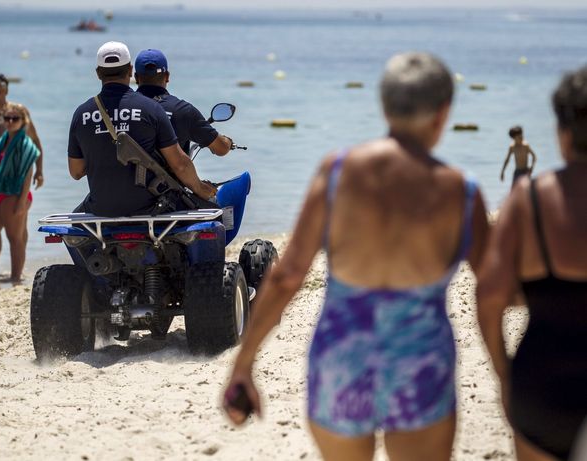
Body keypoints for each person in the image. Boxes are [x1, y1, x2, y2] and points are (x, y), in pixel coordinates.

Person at [223, 52, 489, 461]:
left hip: (343, 358)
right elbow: (497, 286)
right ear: (443, 114)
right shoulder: (460, 190)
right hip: (419, 362)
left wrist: (244, 362)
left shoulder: (338, 172)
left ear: (384, 106)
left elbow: (287, 276)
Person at [477, 66, 587, 461]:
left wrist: (504, 375)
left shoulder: (527, 201)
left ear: (562, 133)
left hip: (543, 386)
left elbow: (489, 298)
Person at [67, 41, 216, 217]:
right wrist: (201, 188)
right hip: (153, 209)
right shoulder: (151, 109)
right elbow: (180, 165)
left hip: (102, 209)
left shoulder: (81, 113)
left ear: (98, 73)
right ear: (130, 71)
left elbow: (76, 172)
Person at [0, 73, 44, 277]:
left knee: (16, 231)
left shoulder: (17, 113)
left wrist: (40, 170)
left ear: (6, 91)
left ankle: (16, 274)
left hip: (16, 181)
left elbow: (35, 144)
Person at [134, 49, 233, 156]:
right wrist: (228, 141)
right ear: (167, 76)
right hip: (170, 172)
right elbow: (221, 148)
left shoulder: (122, 107)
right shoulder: (182, 110)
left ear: (136, 77)